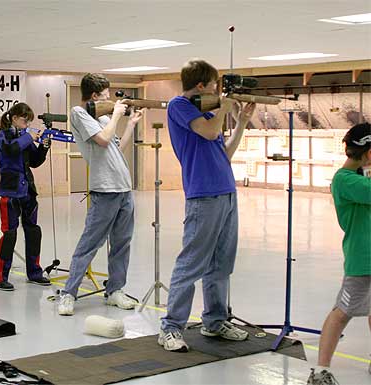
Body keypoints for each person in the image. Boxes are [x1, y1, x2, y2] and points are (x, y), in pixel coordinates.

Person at [159, 59, 256, 352]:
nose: (217, 90)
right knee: (191, 263)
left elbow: (224, 152)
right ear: (201, 85)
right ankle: (171, 327)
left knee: (221, 264)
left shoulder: (209, 113)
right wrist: (225, 108)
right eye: (214, 84)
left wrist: (240, 122)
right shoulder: (179, 106)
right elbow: (210, 132)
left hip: (226, 192)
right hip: (203, 195)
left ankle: (214, 321)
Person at [58, 73, 142, 316]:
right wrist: (116, 114)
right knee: (89, 244)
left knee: (122, 243)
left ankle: (115, 290)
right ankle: (68, 294)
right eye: (105, 96)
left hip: (123, 188)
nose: (109, 100)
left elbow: (118, 146)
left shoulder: (104, 117)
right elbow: (103, 140)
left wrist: (131, 124)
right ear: (94, 96)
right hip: (104, 189)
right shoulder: (79, 113)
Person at [307, 123, 371, 385]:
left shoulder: (361, 176)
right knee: (341, 312)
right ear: (367, 153)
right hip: (361, 259)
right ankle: (321, 371)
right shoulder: (345, 180)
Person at [0, 102, 52, 291]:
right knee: (9, 234)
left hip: (28, 191)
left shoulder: (23, 137)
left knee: (33, 232)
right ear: (15, 118)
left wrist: (43, 146)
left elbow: (34, 161)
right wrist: (28, 137)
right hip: (10, 192)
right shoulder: (4, 136)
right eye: (25, 121)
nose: (27, 125)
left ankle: (34, 272)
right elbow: (11, 150)